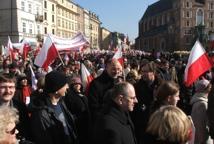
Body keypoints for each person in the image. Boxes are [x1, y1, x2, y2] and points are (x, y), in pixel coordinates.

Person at [30, 71, 78, 144]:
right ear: (56, 90)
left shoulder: (61, 102)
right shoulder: (41, 113)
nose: (67, 86)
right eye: (64, 84)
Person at [88, 58, 123, 123]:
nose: (116, 72)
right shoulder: (95, 84)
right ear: (106, 68)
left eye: (118, 69)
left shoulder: (120, 82)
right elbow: (93, 106)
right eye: (113, 69)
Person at [0, 73, 30, 140]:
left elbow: (27, 131)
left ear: (15, 89)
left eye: (11, 87)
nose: (8, 91)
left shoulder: (21, 107)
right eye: (3, 87)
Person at [191, 79, 213, 144]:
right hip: (204, 140)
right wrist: (203, 141)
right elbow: (200, 126)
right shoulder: (201, 104)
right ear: (206, 89)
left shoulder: (203, 101)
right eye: (210, 87)